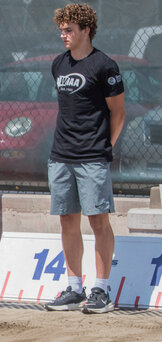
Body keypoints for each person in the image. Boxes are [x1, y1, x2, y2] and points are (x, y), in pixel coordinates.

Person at [44, 3, 125, 314]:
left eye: (69, 30)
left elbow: (118, 113)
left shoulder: (105, 66)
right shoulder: (58, 65)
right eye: (61, 30)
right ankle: (75, 288)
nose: (63, 35)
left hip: (93, 157)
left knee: (99, 222)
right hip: (60, 156)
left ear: (86, 31)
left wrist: (107, 147)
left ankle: (101, 290)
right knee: (67, 221)